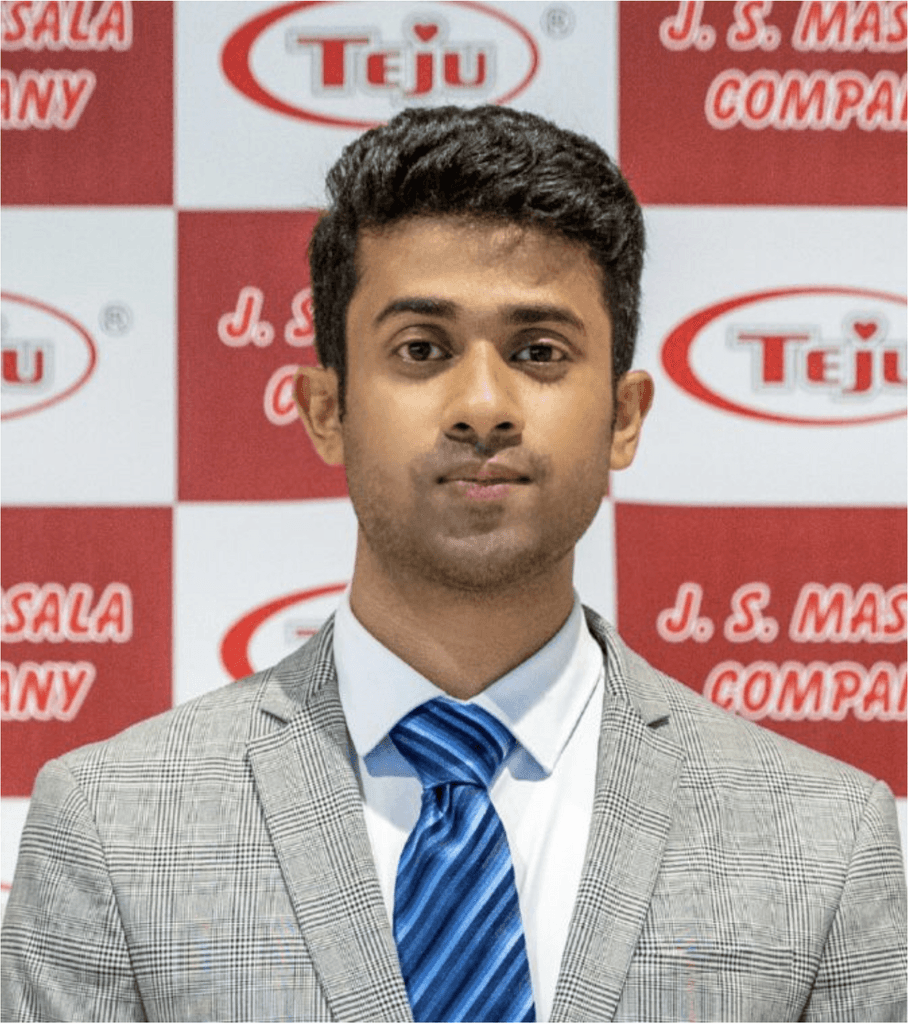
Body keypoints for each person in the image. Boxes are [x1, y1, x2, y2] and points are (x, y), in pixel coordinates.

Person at [2, 105, 905, 1024]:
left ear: (625, 415)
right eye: (422, 349)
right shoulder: (114, 830)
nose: (482, 406)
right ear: (325, 408)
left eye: (539, 352)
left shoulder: (823, 842)